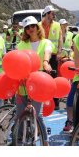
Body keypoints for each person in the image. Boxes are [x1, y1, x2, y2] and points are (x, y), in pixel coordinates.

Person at [16, 16, 53, 146]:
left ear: (38, 27)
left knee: (37, 115)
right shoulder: (21, 45)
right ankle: (19, 139)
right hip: (23, 82)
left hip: (38, 84)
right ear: (25, 30)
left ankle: (45, 141)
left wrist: (45, 62)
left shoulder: (45, 42)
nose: (30, 29)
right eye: (27, 27)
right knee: (19, 114)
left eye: (32, 26)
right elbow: (17, 62)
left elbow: (47, 52)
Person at [39, 5, 63, 110]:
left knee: (54, 77)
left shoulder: (57, 25)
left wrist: (59, 52)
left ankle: (55, 101)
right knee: (42, 78)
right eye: (52, 13)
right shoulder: (38, 25)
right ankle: (42, 100)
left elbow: (60, 39)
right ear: (47, 14)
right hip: (41, 56)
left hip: (53, 55)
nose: (54, 15)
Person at [58, 18, 75, 132]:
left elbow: (74, 47)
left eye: (65, 24)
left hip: (71, 58)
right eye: (62, 24)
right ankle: (70, 121)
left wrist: (72, 56)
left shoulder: (71, 35)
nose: (64, 26)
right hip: (62, 58)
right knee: (62, 77)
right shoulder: (59, 34)